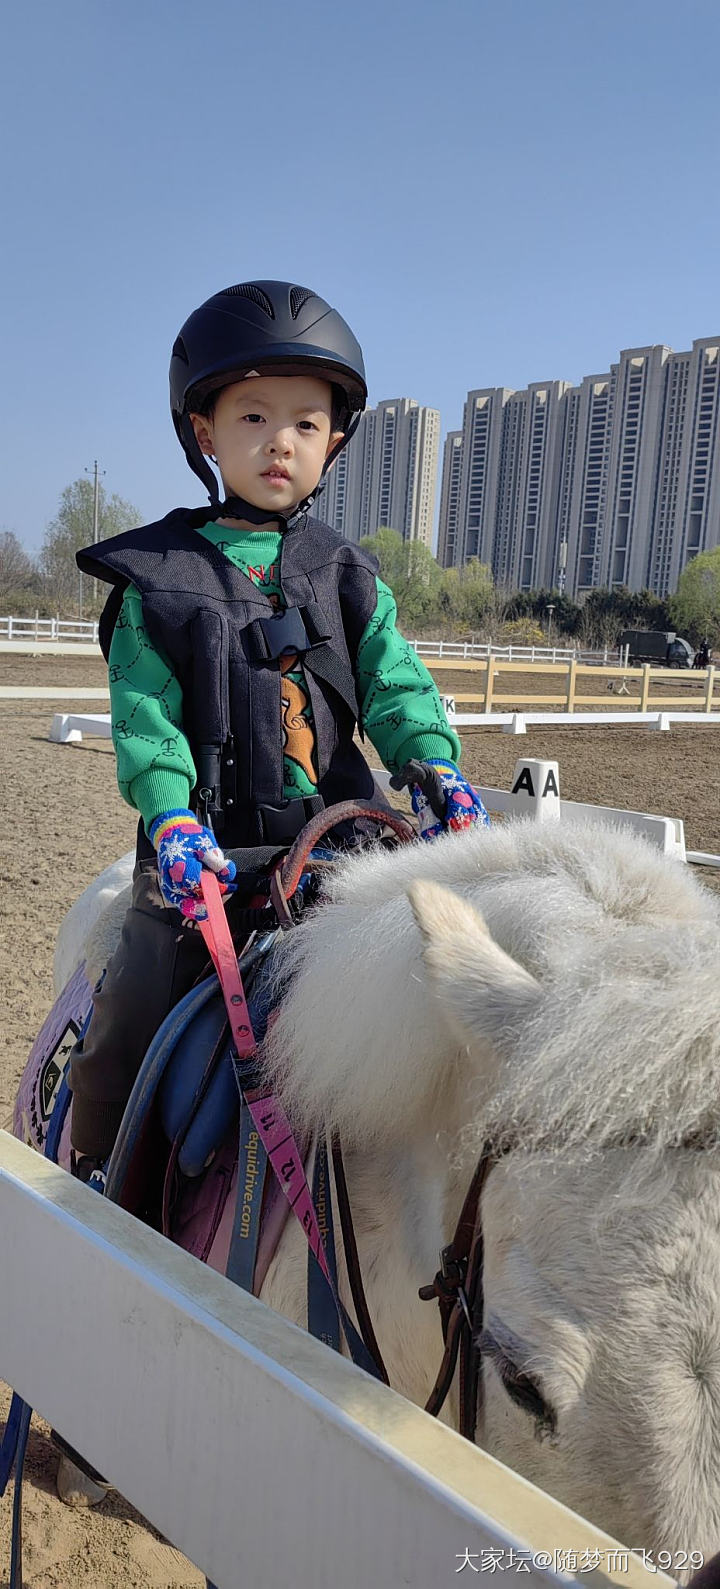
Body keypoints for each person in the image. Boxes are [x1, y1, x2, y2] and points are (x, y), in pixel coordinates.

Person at [68, 279, 489, 1179]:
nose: (279, 442)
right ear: (205, 434)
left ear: (333, 443)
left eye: (305, 423)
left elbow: (397, 684)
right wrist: (172, 819)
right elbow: (146, 718)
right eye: (254, 416)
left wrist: (433, 767)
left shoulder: (347, 575)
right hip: (206, 868)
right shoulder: (158, 580)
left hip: (344, 853)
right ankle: (100, 1180)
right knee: (136, 1003)